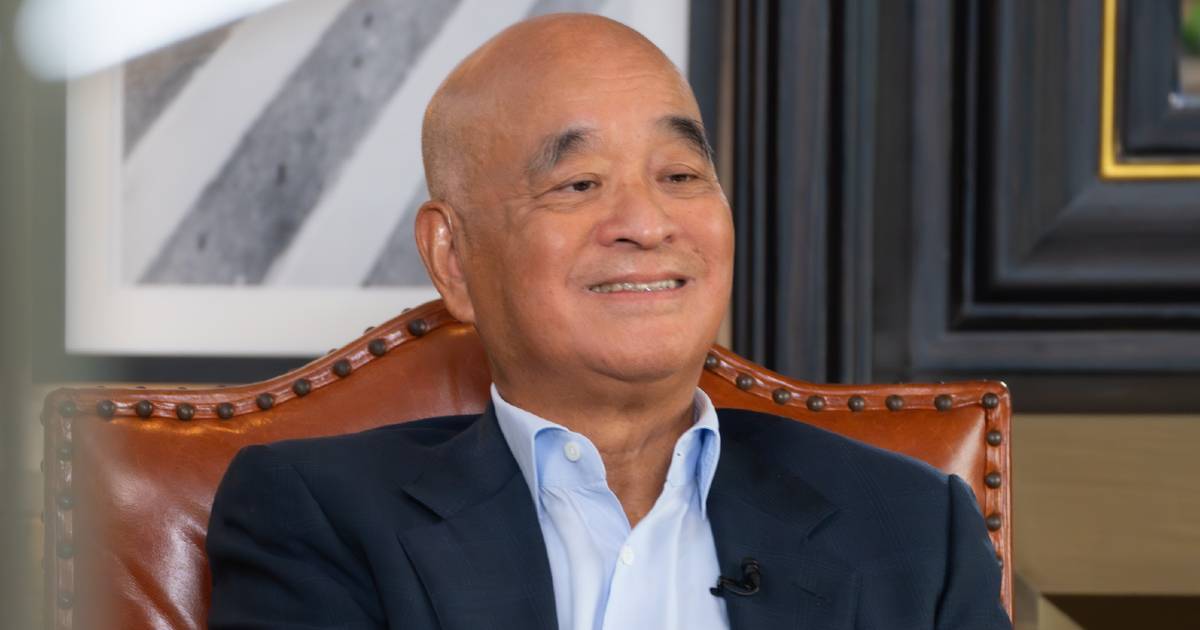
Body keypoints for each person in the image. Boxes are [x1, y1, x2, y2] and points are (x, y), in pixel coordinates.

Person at [206, 13, 1011, 630]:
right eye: (579, 183)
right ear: (453, 258)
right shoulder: (319, 517)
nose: (647, 223)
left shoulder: (911, 528)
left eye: (681, 174)